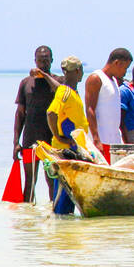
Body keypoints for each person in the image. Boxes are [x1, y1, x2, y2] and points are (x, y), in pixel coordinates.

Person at [13, 45, 59, 202]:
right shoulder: (26, 83)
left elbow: (60, 90)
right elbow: (20, 114)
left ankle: (54, 216)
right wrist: (15, 142)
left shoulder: (57, 81)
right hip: (29, 140)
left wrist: (44, 75)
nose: (43, 63)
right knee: (29, 182)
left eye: (46, 60)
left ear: (52, 60)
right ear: (35, 61)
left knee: (52, 179)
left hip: (51, 141)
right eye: (40, 60)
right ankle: (28, 219)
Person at [43, 56, 89, 214]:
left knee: (69, 200)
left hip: (74, 151)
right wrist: (58, 136)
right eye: (82, 70)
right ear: (77, 71)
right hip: (65, 152)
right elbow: (51, 113)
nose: (82, 73)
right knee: (62, 201)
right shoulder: (65, 92)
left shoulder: (72, 92)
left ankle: (65, 235)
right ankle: (59, 231)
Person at [85, 48, 132, 155]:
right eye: (125, 68)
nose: (125, 72)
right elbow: (89, 109)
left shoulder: (114, 81)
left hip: (114, 143)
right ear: (117, 63)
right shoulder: (96, 78)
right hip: (101, 141)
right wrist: (96, 139)